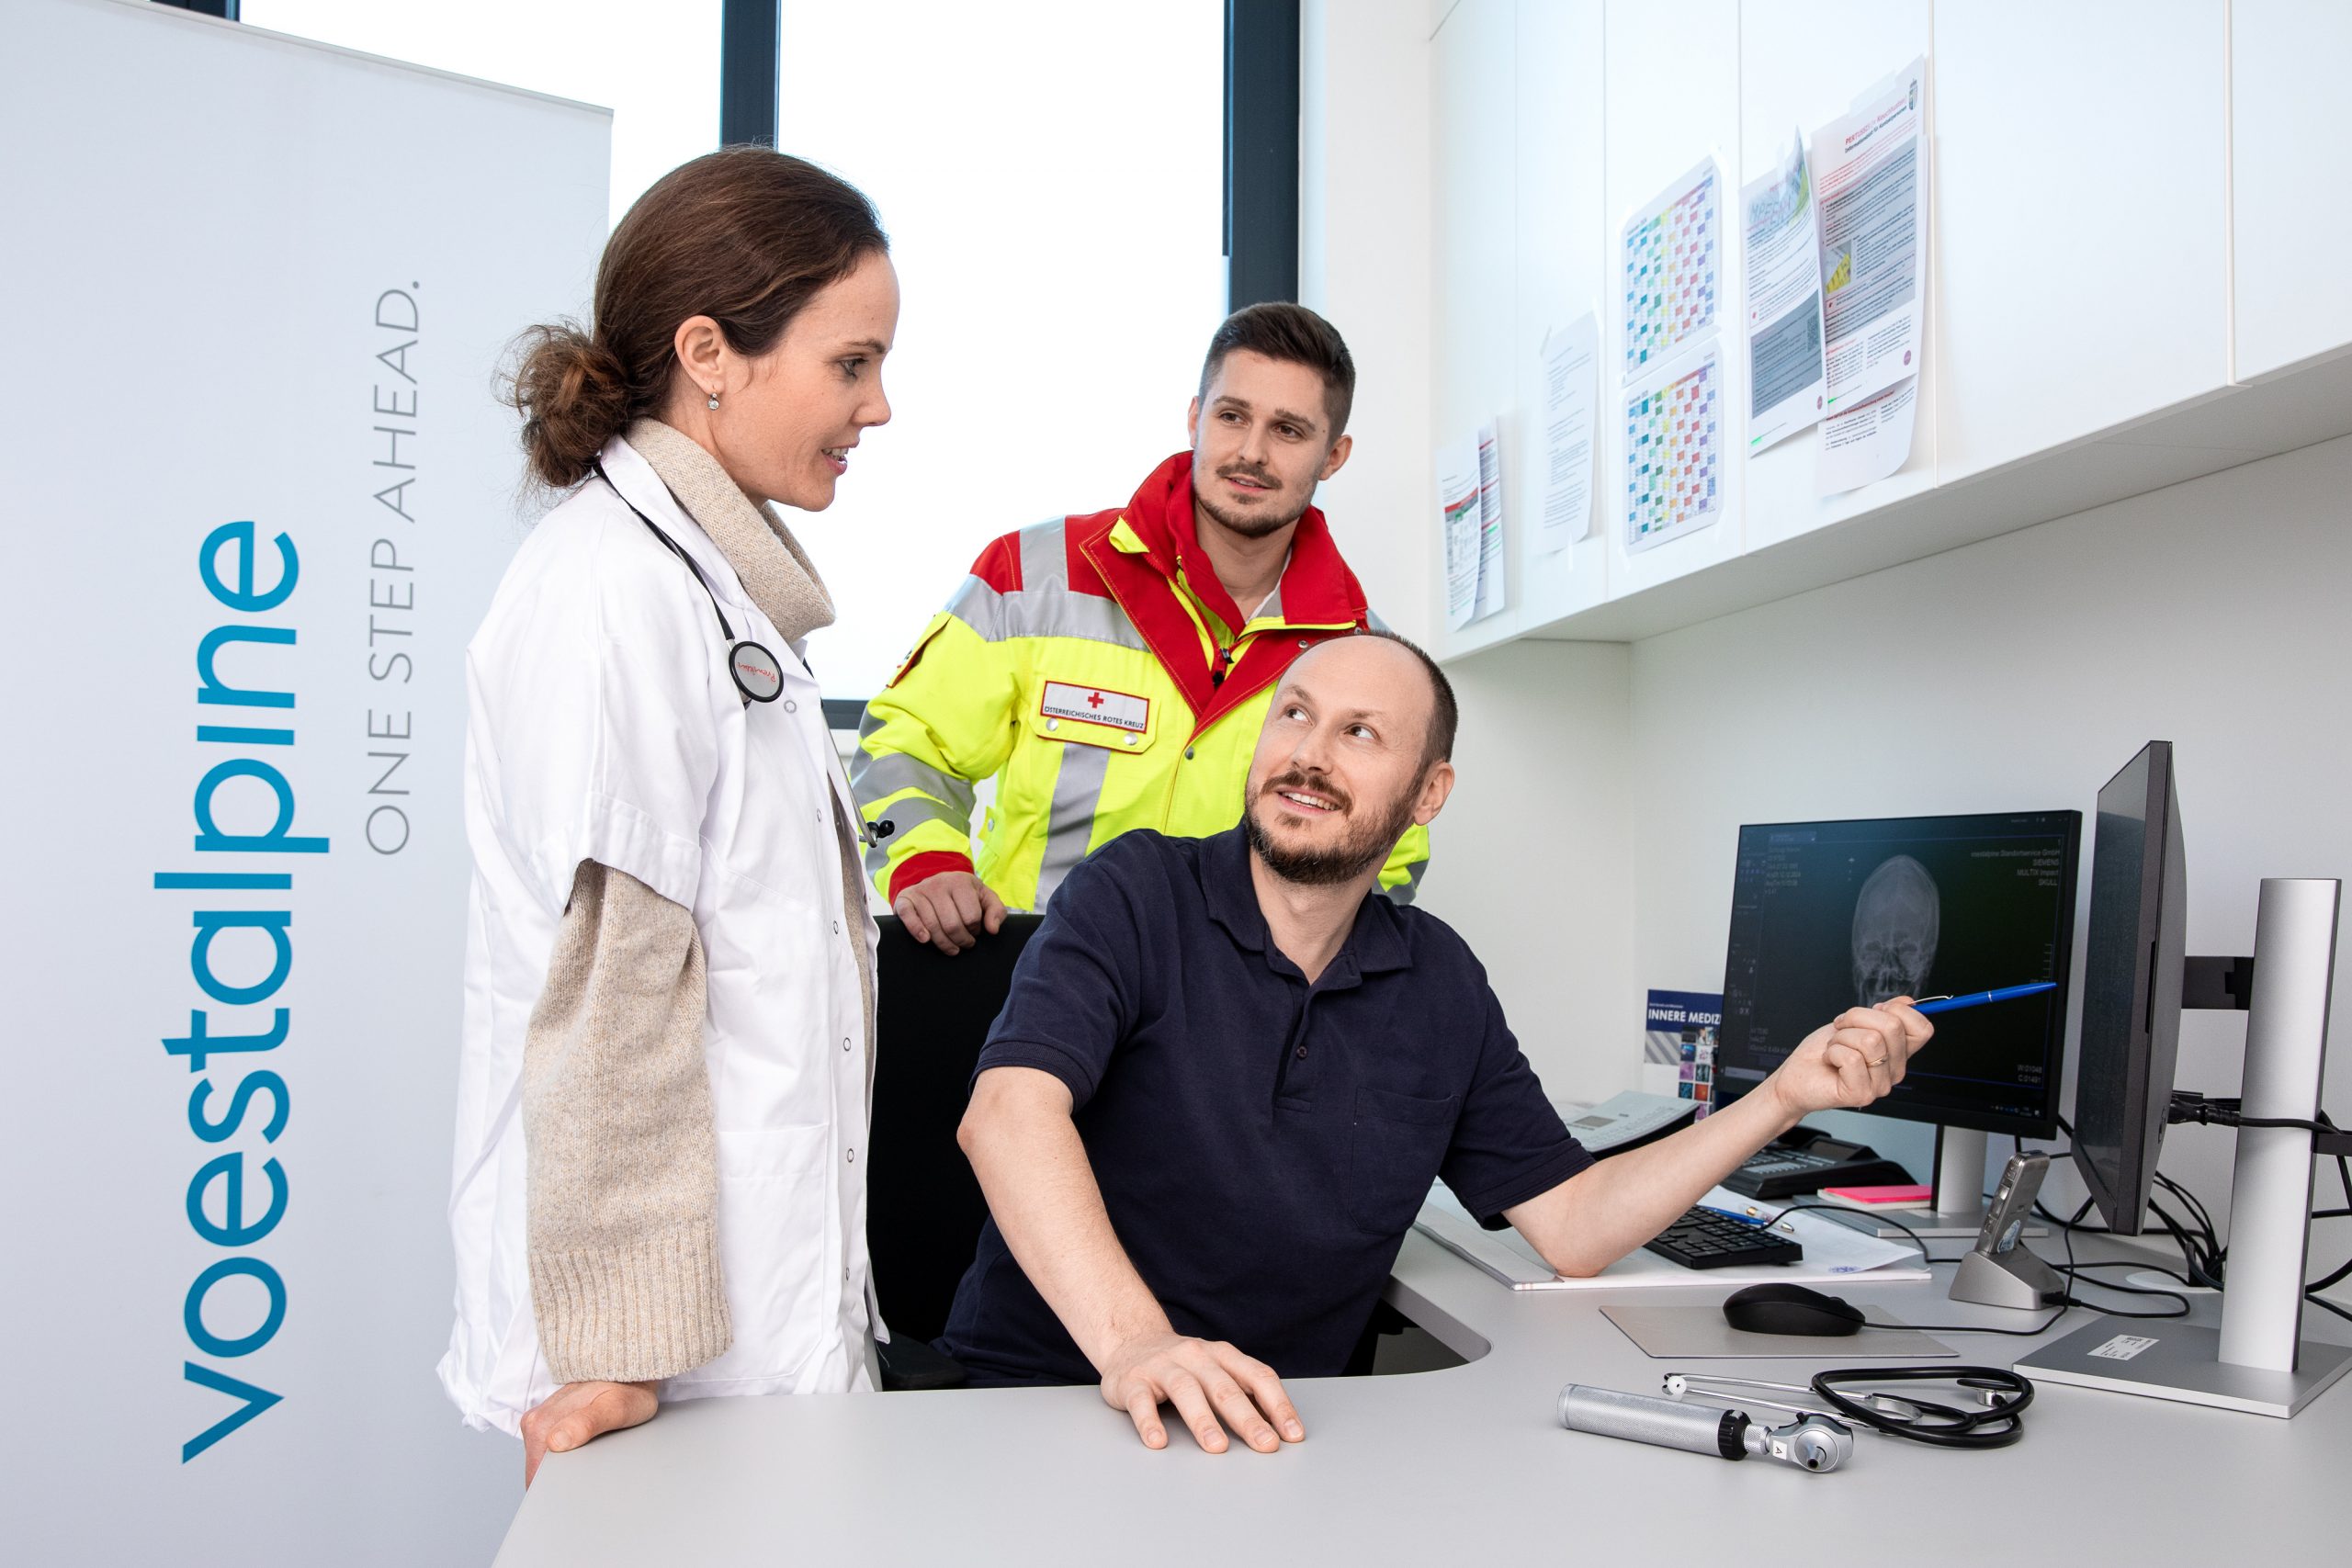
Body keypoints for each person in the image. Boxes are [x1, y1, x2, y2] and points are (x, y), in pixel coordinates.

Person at [942, 631, 1933, 1452]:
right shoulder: (1134, 893)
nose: (1309, 754)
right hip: (1057, 1397)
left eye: (1360, 733)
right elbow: (1008, 1114)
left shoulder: (1438, 980)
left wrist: (1783, 1099)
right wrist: (1138, 1347)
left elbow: (1575, 1225)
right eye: (1295, 714)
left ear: (1427, 793)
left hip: (1288, 1432)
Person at [438, 150, 899, 1483]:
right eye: (851, 363)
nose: (878, 405)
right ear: (710, 351)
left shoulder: (712, 588)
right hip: (661, 1361)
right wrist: (619, 1354)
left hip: (752, 1315)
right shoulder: (613, 591)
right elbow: (612, 992)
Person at [851, 303, 1430, 954]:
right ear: (1195, 417)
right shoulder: (1035, 575)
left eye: (1289, 430)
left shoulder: (1361, 655)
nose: (1251, 452)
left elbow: (1394, 848)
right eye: (1231, 415)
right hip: (1026, 978)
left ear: (1334, 455)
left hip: (1231, 1017)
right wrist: (927, 862)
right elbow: (906, 740)